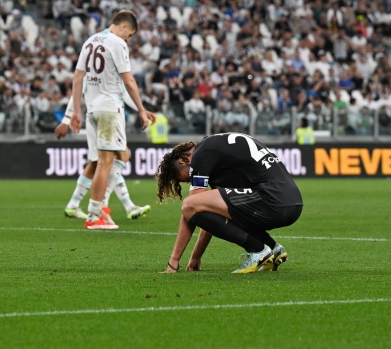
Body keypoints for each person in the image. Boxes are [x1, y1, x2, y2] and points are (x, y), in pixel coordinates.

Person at [155, 133, 303, 274]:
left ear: (184, 159)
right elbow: (210, 213)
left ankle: (258, 250)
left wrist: (173, 261)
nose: (190, 181)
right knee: (212, 206)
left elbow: (192, 207)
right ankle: (272, 248)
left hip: (272, 199)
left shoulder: (201, 153)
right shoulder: (220, 149)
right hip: (291, 202)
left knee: (188, 204)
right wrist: (195, 257)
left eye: (186, 178)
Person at [69, 10, 155, 229]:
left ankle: (104, 208)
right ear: (124, 27)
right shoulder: (117, 43)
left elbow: (78, 78)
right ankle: (94, 215)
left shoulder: (90, 41)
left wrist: (76, 112)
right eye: (130, 35)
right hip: (109, 109)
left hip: (93, 109)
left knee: (122, 154)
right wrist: (142, 110)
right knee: (104, 163)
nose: (129, 40)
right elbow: (128, 79)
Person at [55, 89, 152, 221]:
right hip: (105, 116)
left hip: (103, 116)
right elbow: (79, 86)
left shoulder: (97, 71)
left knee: (97, 163)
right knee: (114, 158)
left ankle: (73, 205)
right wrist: (66, 120)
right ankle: (107, 206)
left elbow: (122, 91)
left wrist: (141, 109)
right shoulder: (104, 69)